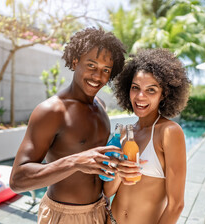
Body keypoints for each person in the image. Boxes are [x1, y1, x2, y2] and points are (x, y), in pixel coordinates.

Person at [9, 27, 126, 224]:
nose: (98, 76)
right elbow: (17, 180)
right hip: (65, 216)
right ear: (75, 61)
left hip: (100, 210)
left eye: (105, 70)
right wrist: (75, 162)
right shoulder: (53, 111)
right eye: (91, 65)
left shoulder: (101, 107)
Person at [104, 48, 190, 224]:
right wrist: (120, 171)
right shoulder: (125, 133)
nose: (140, 96)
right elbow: (108, 191)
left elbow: (176, 205)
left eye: (151, 90)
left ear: (163, 94)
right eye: (136, 88)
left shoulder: (169, 132)